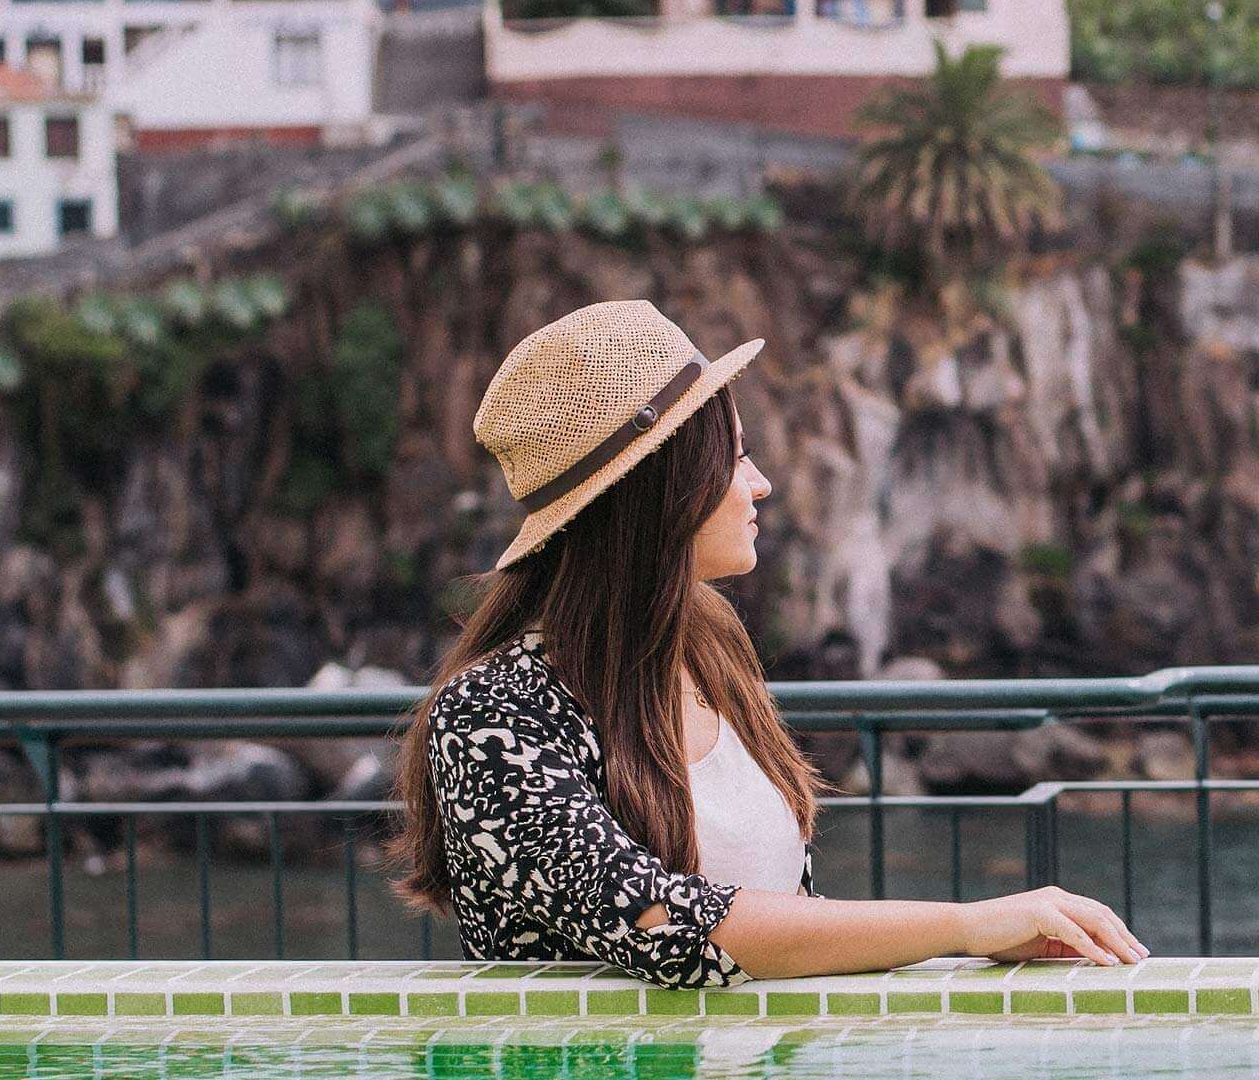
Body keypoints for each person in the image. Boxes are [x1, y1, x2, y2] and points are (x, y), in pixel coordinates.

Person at [388, 301, 1146, 985]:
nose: (760, 484)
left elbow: (785, 911)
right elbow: (665, 925)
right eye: (735, 458)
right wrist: (966, 924)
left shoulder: (709, 648)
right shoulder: (494, 715)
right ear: (660, 489)